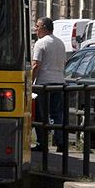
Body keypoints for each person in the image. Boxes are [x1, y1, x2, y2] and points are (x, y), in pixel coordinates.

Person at [32, 17, 67, 152]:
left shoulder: (40, 43)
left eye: (37, 26)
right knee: (57, 114)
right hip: (59, 82)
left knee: (41, 115)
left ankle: (43, 143)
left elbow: (36, 65)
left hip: (44, 84)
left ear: (44, 28)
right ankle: (60, 142)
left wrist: (31, 83)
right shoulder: (60, 43)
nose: (36, 29)